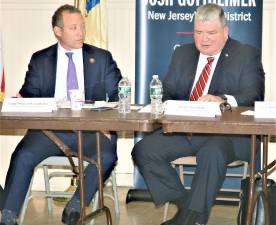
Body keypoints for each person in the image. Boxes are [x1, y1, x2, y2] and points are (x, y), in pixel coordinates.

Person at [132, 3, 264, 225]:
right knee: (144, 150)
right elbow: (168, 91)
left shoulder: (245, 54)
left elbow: (254, 94)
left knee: (212, 152)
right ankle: (187, 207)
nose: (204, 39)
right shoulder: (183, 53)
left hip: (227, 136)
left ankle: (192, 220)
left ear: (225, 32)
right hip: (187, 132)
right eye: (198, 32)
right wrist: (163, 102)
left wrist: (223, 101)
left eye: (211, 33)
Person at [0, 4, 122, 225]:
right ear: (58, 31)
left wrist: (107, 122)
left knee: (107, 156)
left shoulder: (101, 58)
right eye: (74, 27)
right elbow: (30, 94)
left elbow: (117, 94)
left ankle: (76, 205)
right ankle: (8, 215)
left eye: (82, 27)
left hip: (91, 130)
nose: (81, 32)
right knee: (23, 155)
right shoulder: (41, 59)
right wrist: (19, 100)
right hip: (49, 130)